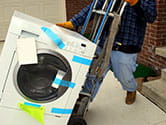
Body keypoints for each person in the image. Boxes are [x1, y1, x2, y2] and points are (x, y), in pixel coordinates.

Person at [57, 0, 157, 104]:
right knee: (93, 75)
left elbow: (151, 16)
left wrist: (135, 3)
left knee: (124, 76)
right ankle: (82, 102)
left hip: (126, 45)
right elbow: (94, 7)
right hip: (104, 42)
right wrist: (74, 22)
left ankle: (131, 89)